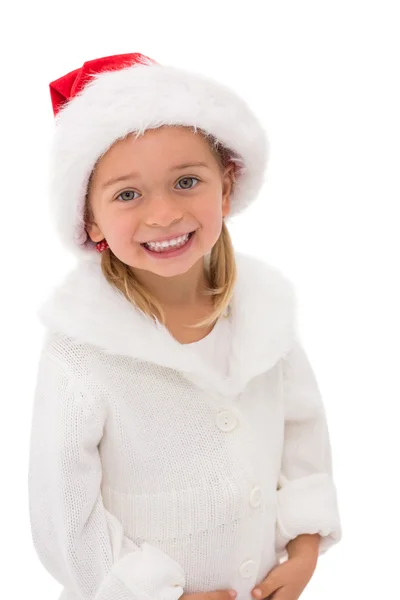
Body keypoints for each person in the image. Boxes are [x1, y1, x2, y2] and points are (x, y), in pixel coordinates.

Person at [28, 53, 342, 600]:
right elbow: (64, 512)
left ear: (225, 188)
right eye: (128, 194)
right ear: (90, 217)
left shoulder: (264, 313)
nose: (164, 215)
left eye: (187, 181)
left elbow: (303, 432)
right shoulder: (82, 349)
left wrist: (305, 547)